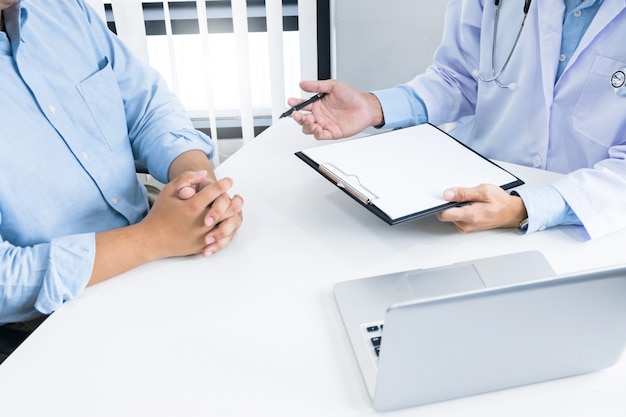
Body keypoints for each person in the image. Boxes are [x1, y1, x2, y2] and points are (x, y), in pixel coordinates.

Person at [288, 0, 626, 240]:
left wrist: (525, 208)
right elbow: (459, 77)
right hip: (465, 195)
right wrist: (373, 107)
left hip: (587, 218)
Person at [0, 0, 244, 326]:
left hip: (163, 247)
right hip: (65, 316)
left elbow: (147, 106)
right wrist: (151, 239)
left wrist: (200, 188)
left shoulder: (61, 8)